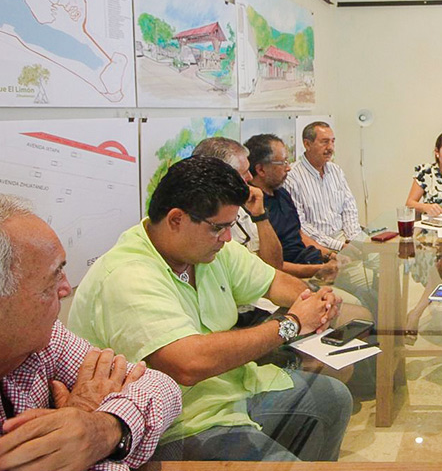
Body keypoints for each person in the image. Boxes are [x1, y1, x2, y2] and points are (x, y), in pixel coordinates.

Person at [69, 157, 353, 461]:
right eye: (219, 228)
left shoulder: (209, 249)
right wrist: (292, 323)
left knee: (333, 398)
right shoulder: (127, 275)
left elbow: (275, 282)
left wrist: (316, 301)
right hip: (177, 423)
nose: (227, 238)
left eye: (230, 226)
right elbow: (189, 364)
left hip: (230, 389)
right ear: (176, 220)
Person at [0, 195, 181, 471]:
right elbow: (187, 363)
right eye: (52, 277)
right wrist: (80, 420)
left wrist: (102, 426)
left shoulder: (45, 340)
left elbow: (161, 386)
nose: (66, 288)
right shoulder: (128, 271)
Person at [244, 134, 339, 281]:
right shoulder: (252, 205)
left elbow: (299, 234)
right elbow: (271, 265)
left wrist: (330, 255)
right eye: (282, 163)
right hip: (293, 275)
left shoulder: (282, 193)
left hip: (311, 261)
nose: (288, 168)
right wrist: (318, 270)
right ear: (261, 170)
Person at [192, 137, 282, 269]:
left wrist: (261, 217)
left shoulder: (241, 205)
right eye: (244, 173)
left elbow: (274, 266)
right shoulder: (199, 218)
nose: (250, 178)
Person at [283, 122, 364, 254]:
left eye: (332, 142)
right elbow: (300, 225)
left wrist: (354, 239)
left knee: (380, 256)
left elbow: (349, 208)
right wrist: (339, 246)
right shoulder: (292, 177)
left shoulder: (335, 170)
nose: (330, 148)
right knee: (361, 266)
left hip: (344, 236)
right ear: (307, 144)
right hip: (317, 245)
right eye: (324, 142)